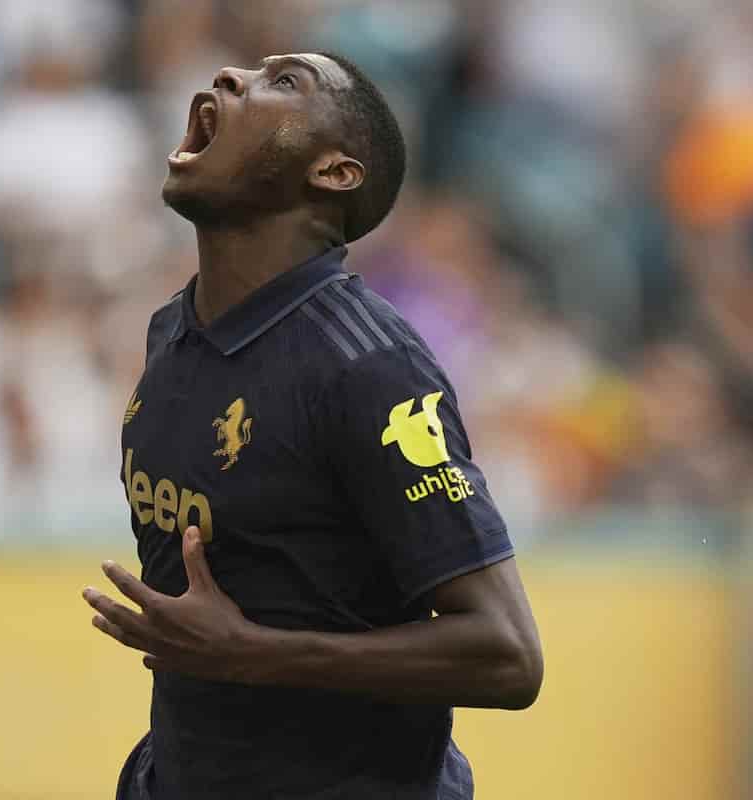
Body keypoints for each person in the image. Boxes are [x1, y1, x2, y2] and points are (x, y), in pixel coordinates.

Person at [81, 51, 543, 800]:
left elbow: (508, 655)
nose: (231, 77)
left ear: (334, 172)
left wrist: (255, 654)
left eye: (285, 82)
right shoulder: (170, 331)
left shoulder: (370, 368)